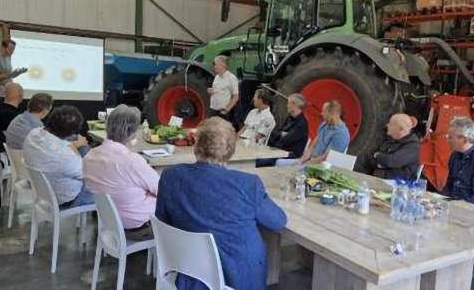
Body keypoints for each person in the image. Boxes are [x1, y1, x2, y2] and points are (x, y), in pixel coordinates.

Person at [155, 117, 287, 290]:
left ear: (196, 146)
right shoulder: (247, 184)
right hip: (238, 278)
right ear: (230, 151)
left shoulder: (170, 176)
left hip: (191, 273)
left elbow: (163, 220)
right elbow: (278, 221)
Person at [84, 105, 159, 241]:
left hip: (109, 223)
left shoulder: (90, 156)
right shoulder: (132, 161)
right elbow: (162, 190)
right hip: (139, 227)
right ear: (134, 132)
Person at [23, 105, 93, 207]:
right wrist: (75, 147)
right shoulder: (65, 156)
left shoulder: (33, 133)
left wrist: (73, 145)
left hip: (42, 192)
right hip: (65, 199)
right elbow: (87, 174)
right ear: (70, 133)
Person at [256, 93, 308, 167]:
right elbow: (275, 133)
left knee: (259, 162)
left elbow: (286, 140)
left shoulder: (301, 124)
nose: (287, 106)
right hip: (280, 150)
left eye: (288, 103)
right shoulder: (289, 118)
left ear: (293, 105)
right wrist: (281, 134)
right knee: (256, 156)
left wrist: (280, 135)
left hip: (290, 154)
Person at [364, 114, 421, 180]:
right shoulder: (392, 137)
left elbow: (392, 161)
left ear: (400, 129)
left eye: (391, 124)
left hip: (396, 182)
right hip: (378, 175)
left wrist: (377, 156)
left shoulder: (413, 146)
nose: (387, 125)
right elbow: (370, 155)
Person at [0, 39, 27, 109]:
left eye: (13, 49)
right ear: (3, 47)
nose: (12, 51)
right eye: (10, 49)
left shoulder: (8, 58)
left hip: (7, 94)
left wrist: (19, 73)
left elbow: (9, 76)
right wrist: (10, 75)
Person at [208, 55, 239, 121]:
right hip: (213, 110)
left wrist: (226, 110)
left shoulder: (232, 78)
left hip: (223, 112)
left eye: (216, 64)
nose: (214, 66)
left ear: (223, 65)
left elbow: (236, 97)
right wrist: (210, 91)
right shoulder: (216, 77)